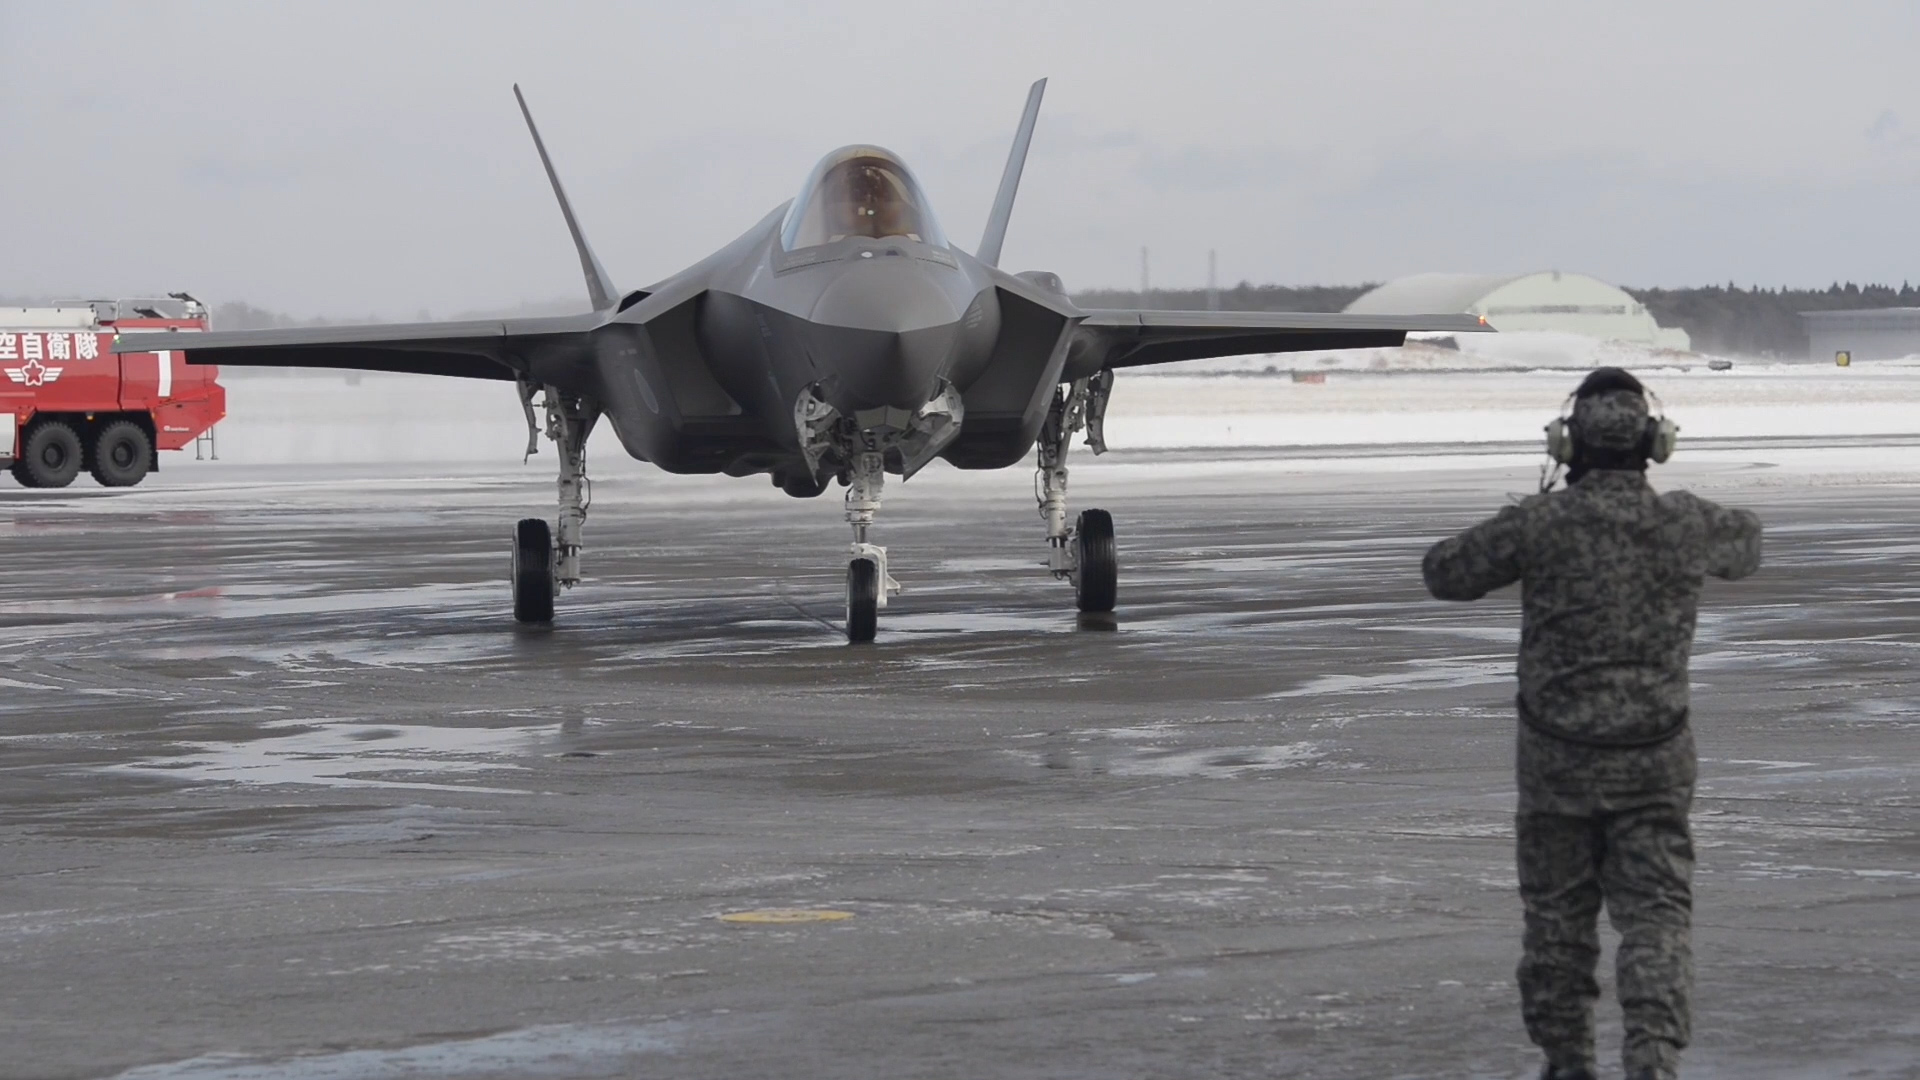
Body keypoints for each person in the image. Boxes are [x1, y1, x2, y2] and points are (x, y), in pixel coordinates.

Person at [1421, 368, 1762, 1080]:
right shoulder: (1687, 523)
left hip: (1557, 768)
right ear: (1654, 443)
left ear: (1567, 442)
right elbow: (1748, 544)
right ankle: (1653, 1059)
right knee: (1657, 918)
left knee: (1556, 925)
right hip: (1654, 763)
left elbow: (1443, 572)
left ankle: (1569, 1063)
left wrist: (1536, 512)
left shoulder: (1537, 526)